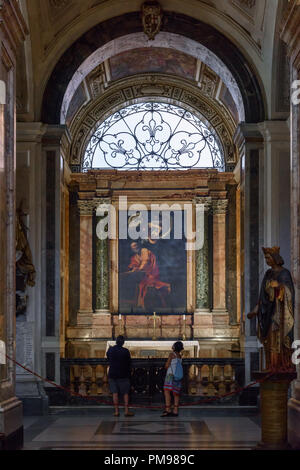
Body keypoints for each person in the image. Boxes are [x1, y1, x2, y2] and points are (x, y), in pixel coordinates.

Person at [248, 247, 295, 371]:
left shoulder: (285, 273)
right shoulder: (268, 274)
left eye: (268, 257)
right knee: (269, 339)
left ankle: (279, 365)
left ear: (275, 258)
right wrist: (255, 310)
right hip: (267, 312)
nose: (267, 260)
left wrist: (279, 287)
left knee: (278, 339)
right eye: (265, 258)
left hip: (279, 314)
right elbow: (262, 296)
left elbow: (290, 294)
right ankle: (270, 365)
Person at [128, 242, 171, 309]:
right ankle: (140, 304)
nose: (135, 247)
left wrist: (139, 269)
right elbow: (133, 265)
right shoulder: (135, 257)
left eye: (135, 245)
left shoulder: (144, 251)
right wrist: (134, 268)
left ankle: (144, 304)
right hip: (143, 275)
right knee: (139, 283)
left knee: (144, 284)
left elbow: (145, 262)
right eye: (132, 247)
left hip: (152, 273)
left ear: (139, 245)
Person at [107, 336, 134, 417]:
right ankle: (126, 411)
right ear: (123, 342)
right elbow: (129, 362)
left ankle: (116, 411)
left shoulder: (111, 350)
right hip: (123, 374)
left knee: (115, 393)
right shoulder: (125, 351)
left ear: (116, 341)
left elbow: (108, 356)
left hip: (113, 374)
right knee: (125, 393)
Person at [162, 341, 184, 417]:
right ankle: (175, 411)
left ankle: (168, 409)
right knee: (176, 393)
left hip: (170, 375)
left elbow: (167, 365)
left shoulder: (172, 354)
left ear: (174, 347)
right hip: (178, 376)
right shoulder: (180, 356)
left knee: (167, 391)